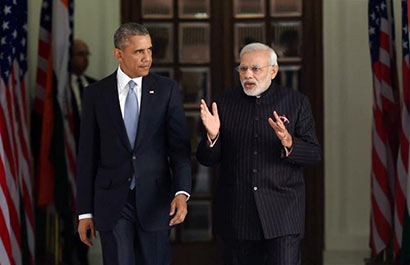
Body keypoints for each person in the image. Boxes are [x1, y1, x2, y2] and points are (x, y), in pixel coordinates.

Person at [76, 23, 191, 265]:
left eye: (149, 50)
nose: (147, 58)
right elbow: (87, 156)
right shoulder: (95, 94)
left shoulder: (166, 90)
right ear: (118, 54)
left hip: (156, 200)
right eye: (139, 52)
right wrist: (84, 212)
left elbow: (179, 149)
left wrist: (181, 192)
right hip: (113, 202)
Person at [196, 43, 321, 265]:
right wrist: (213, 137)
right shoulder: (224, 102)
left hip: (282, 214)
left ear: (273, 71)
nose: (248, 75)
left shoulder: (296, 102)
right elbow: (207, 159)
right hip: (237, 214)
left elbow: (313, 154)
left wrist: (289, 142)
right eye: (243, 69)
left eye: (256, 69)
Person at [71, 39, 97, 146]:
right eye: (81, 54)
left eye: (87, 54)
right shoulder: (61, 88)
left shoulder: (95, 85)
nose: (85, 59)